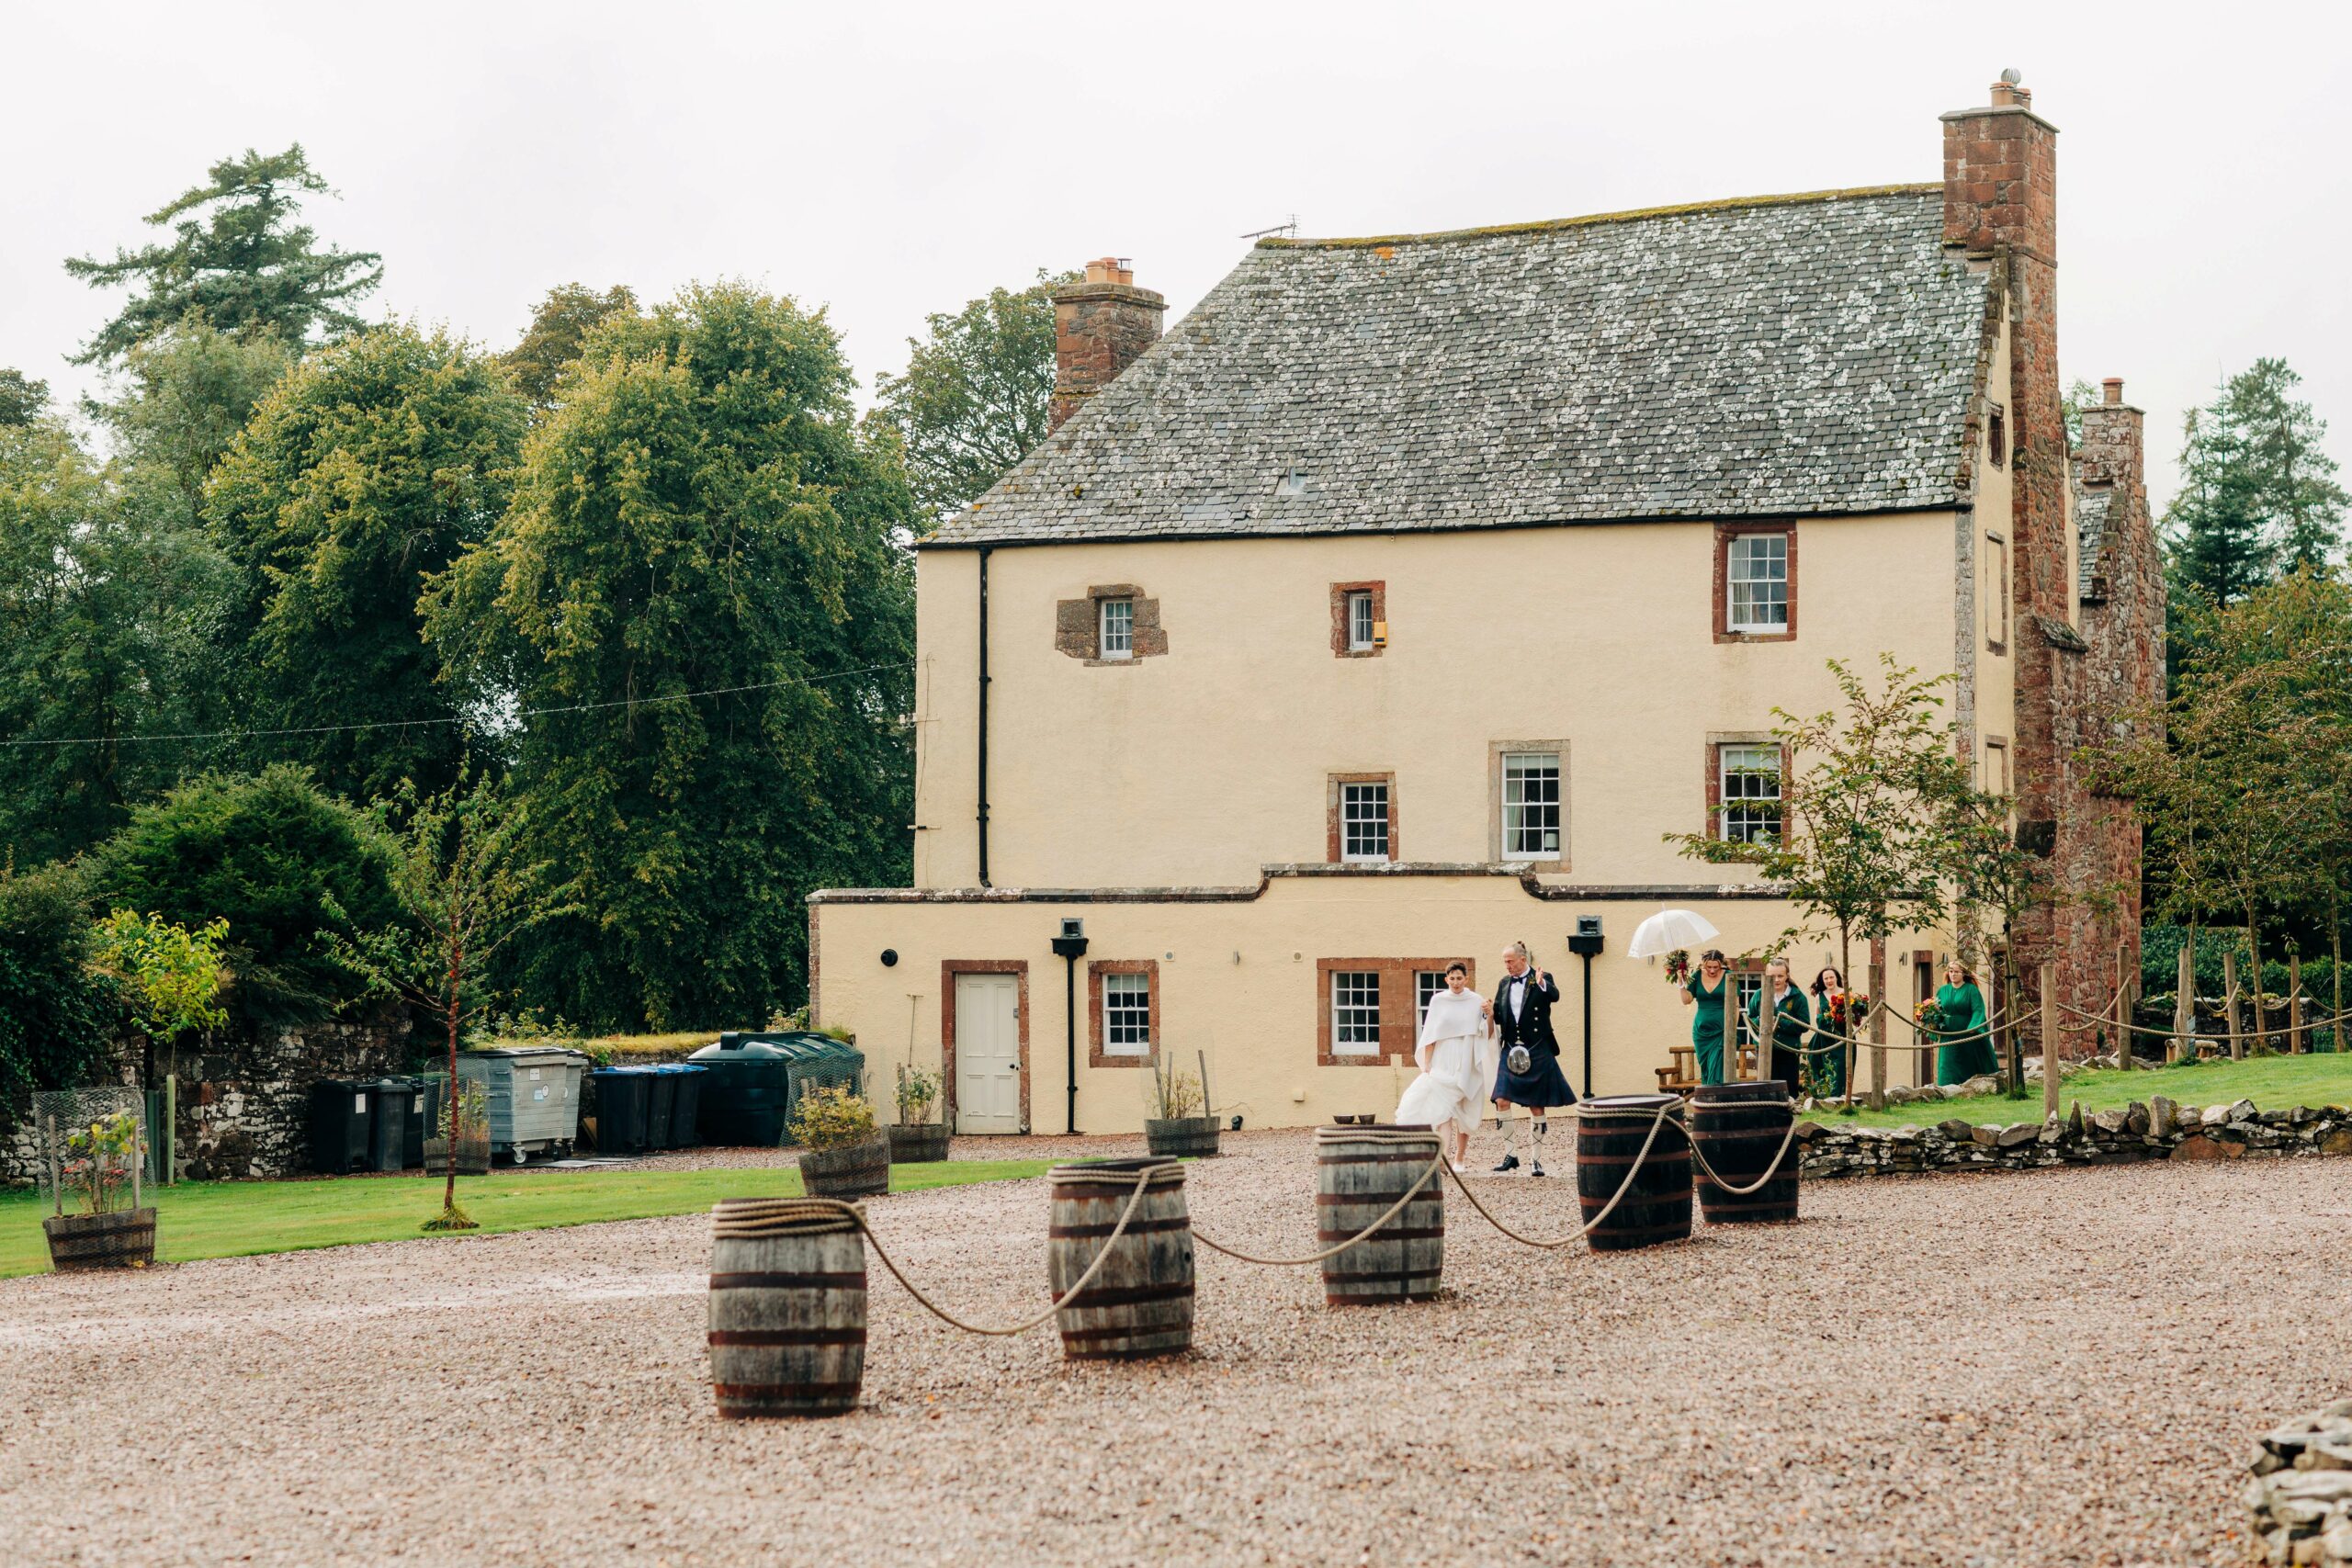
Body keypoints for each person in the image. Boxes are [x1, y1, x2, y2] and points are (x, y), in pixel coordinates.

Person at [1490, 941, 1576, 1175]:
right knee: (1501, 1100)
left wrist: (1542, 984)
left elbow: (1555, 996)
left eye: (1510, 961)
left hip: (1537, 1047)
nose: (1507, 966)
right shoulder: (1504, 982)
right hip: (1511, 1048)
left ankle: (1535, 1160)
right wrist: (1489, 1011)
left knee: (1537, 1105)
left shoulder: (1542, 976)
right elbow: (1499, 1013)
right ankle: (1511, 1155)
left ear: (1522, 959)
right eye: (1505, 962)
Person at [1395, 963, 1490, 1169]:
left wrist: (1490, 1014)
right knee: (1443, 1108)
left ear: (1466, 979)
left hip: (1466, 1057)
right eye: (1452, 978)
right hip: (1442, 1058)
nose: (1456, 982)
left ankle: (1460, 1158)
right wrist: (1427, 1063)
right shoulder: (1438, 1001)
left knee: (1464, 1109)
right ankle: (1443, 1159)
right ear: (1446, 980)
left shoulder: (1476, 1000)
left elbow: (1486, 1033)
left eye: (1459, 978)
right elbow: (1430, 1034)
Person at [1747, 957, 1811, 1091]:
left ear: (1787, 976)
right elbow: (1750, 1018)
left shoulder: (1798, 997)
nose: (1776, 979)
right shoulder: (1759, 994)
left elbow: (1804, 1025)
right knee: (1766, 1089)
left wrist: (1779, 1021)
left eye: (1780, 976)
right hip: (1764, 1049)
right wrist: (1763, 1021)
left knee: (1788, 1089)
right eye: (1772, 976)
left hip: (1788, 1049)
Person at [1933, 960, 1996, 1085]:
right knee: (1946, 1064)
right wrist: (1932, 1019)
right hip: (1948, 1036)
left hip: (1967, 1034)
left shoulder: (1971, 990)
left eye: (1956, 972)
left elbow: (1978, 1010)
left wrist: (1973, 1027)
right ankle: (1946, 1090)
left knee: (1968, 1065)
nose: (1953, 974)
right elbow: (1938, 1010)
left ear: (1964, 974)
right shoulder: (1942, 990)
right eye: (1951, 971)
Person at [1679, 949, 1733, 1086]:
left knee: (1717, 1064)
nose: (1712, 970)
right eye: (1709, 967)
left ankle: (1717, 1098)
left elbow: (1735, 1005)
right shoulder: (1696, 976)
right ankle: (1709, 1097)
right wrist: (1681, 983)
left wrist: (1731, 1029)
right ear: (1703, 964)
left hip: (1721, 1029)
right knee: (1706, 1067)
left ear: (1721, 964)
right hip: (1701, 1031)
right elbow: (1687, 1000)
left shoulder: (1729, 976)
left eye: (1716, 967)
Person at [1808, 965, 1852, 1100]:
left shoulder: (1846, 993)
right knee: (1820, 1063)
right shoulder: (1819, 996)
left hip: (1842, 1036)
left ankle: (1840, 1096)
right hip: (1825, 1037)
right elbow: (1817, 1017)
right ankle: (1825, 1095)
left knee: (1840, 1066)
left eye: (1831, 977)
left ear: (1836, 978)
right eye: (1826, 978)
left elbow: (1852, 1016)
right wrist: (1826, 1019)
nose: (1829, 980)